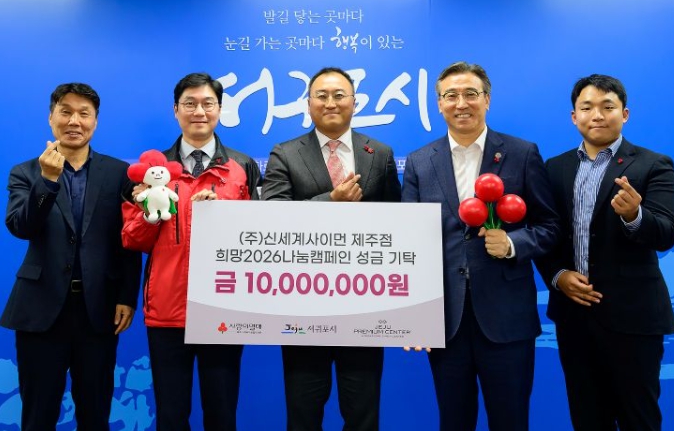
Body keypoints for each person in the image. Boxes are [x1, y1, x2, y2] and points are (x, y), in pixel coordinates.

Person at [401, 61, 560, 431]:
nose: (461, 103)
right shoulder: (420, 161)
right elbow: (410, 244)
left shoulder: (521, 153)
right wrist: (412, 318)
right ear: (439, 104)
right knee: (454, 421)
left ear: (487, 99)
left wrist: (513, 243)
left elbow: (551, 226)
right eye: (451, 96)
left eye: (470, 94)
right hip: (445, 321)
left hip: (507, 319)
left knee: (511, 420)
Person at [261, 67, 401, 431]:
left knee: (363, 413)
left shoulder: (380, 153)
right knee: (303, 413)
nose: (331, 103)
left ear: (355, 102)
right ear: (308, 104)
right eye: (321, 96)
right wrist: (330, 201)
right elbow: (270, 219)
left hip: (365, 304)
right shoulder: (285, 153)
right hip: (303, 305)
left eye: (339, 95)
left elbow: (398, 224)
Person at [536, 74, 674, 431]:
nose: (597, 115)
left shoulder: (653, 164)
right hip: (574, 320)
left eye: (607, 107)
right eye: (587, 108)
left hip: (634, 319)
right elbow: (544, 234)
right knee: (587, 419)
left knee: (638, 419)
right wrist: (557, 275)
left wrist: (635, 215)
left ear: (624, 114)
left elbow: (666, 234)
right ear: (574, 117)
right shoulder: (554, 168)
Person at [121, 72, 261, 431]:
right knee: (171, 416)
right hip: (166, 308)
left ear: (220, 109)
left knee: (222, 414)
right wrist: (151, 214)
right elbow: (132, 240)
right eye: (190, 104)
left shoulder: (243, 167)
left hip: (223, 307)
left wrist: (224, 215)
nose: (199, 111)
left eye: (208, 103)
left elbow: (260, 236)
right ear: (176, 110)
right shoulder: (151, 171)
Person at [1, 83, 142, 430]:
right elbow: (20, 226)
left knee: (95, 414)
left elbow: (129, 239)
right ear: (51, 118)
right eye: (65, 112)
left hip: (98, 311)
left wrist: (127, 296)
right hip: (40, 309)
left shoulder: (118, 174)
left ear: (95, 121)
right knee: (38, 414)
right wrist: (47, 182)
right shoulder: (26, 172)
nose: (74, 121)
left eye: (84, 113)